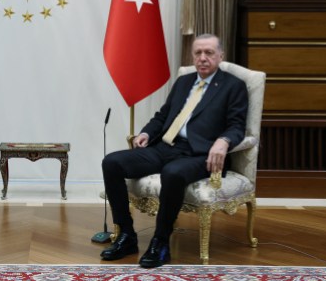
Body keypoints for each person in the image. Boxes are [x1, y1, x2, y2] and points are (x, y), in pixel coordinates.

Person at [100, 34, 247, 268]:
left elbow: (237, 125)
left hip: (199, 154)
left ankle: (160, 241)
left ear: (221, 55)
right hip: (165, 146)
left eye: (209, 52)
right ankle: (127, 235)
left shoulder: (233, 86)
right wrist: (147, 133)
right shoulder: (183, 82)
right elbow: (163, 115)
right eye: (198, 53)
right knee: (112, 162)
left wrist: (224, 140)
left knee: (173, 172)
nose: (203, 58)